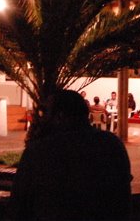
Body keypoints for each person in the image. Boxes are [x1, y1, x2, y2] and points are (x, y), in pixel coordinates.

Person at [10, 89, 132, 220]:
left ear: (60, 116)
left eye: (46, 113)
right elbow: (123, 193)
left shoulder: (41, 150)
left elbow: (20, 201)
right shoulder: (112, 144)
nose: (43, 118)